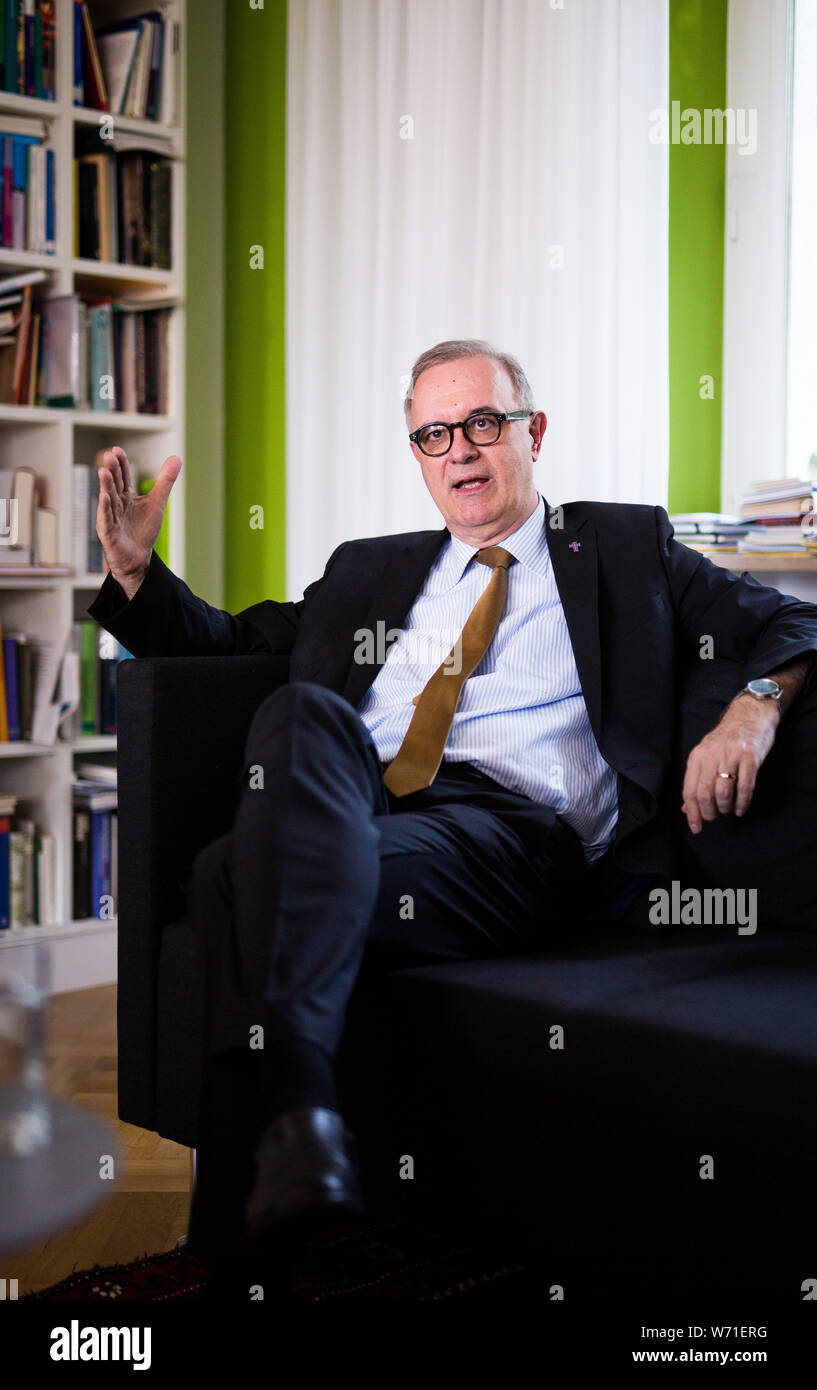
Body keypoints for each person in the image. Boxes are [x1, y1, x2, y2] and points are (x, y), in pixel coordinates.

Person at [88, 338, 817, 1290]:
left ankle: (242, 1239)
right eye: (434, 435)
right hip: (353, 802)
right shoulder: (370, 572)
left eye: (482, 424)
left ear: (532, 432)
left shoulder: (625, 547)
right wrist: (139, 575)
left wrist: (752, 709)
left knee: (233, 876)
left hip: (508, 835)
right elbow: (231, 641)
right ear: (418, 456)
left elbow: (789, 620)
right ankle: (290, 1155)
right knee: (297, 709)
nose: (461, 452)